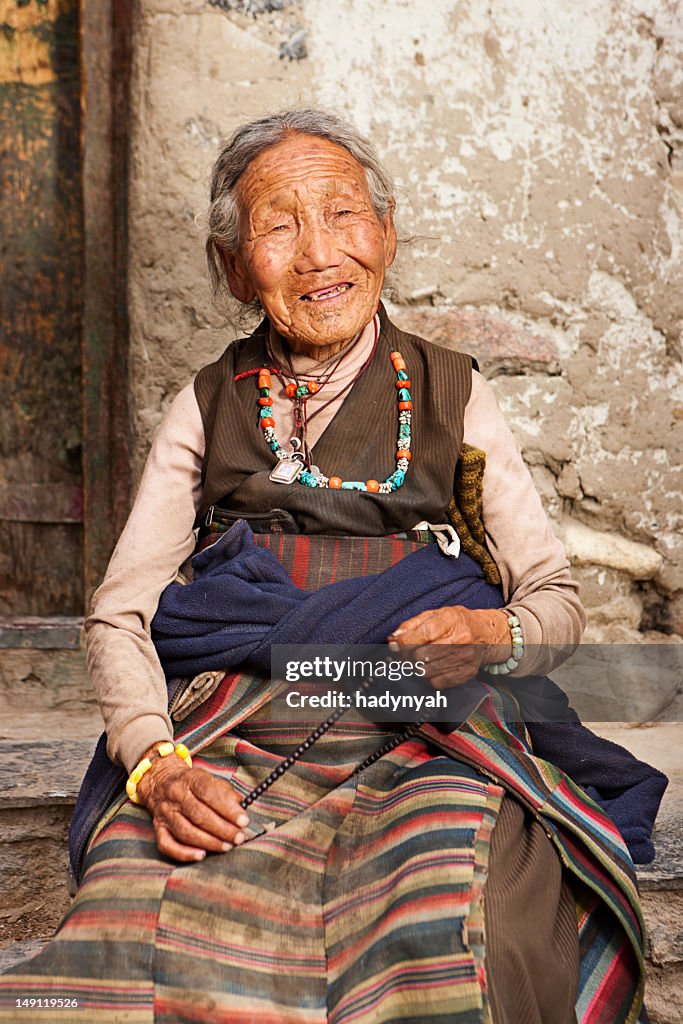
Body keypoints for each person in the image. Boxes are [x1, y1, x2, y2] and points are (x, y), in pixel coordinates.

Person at [0, 109, 651, 1024]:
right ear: (233, 268)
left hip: (425, 725)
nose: (318, 255)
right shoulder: (208, 403)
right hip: (240, 723)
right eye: (278, 225)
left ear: (386, 234)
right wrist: (156, 765)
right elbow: (120, 614)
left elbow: (553, 602)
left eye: (343, 215)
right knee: (133, 915)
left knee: (451, 909)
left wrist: (487, 631)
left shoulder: (453, 392)